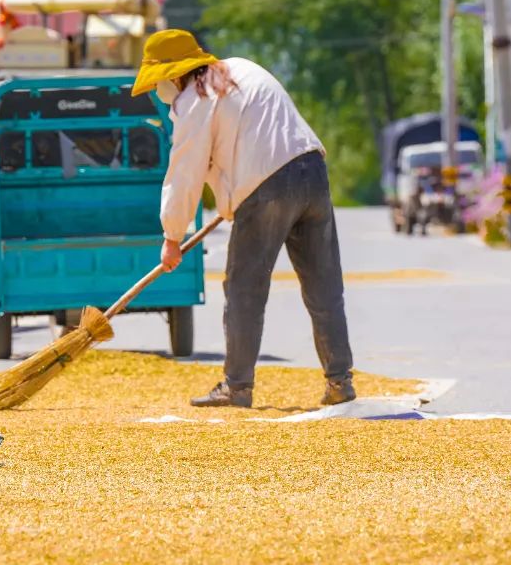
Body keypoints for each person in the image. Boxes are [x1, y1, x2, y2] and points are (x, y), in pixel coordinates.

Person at [131, 29, 355, 408]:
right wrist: (230, 201)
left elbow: (185, 171)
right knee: (324, 287)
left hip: (267, 187)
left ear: (173, 75)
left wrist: (172, 236)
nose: (158, 91)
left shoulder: (196, 97)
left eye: (158, 82)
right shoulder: (241, 70)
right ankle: (340, 382)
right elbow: (245, 144)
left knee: (243, 290)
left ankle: (236, 387)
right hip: (312, 171)